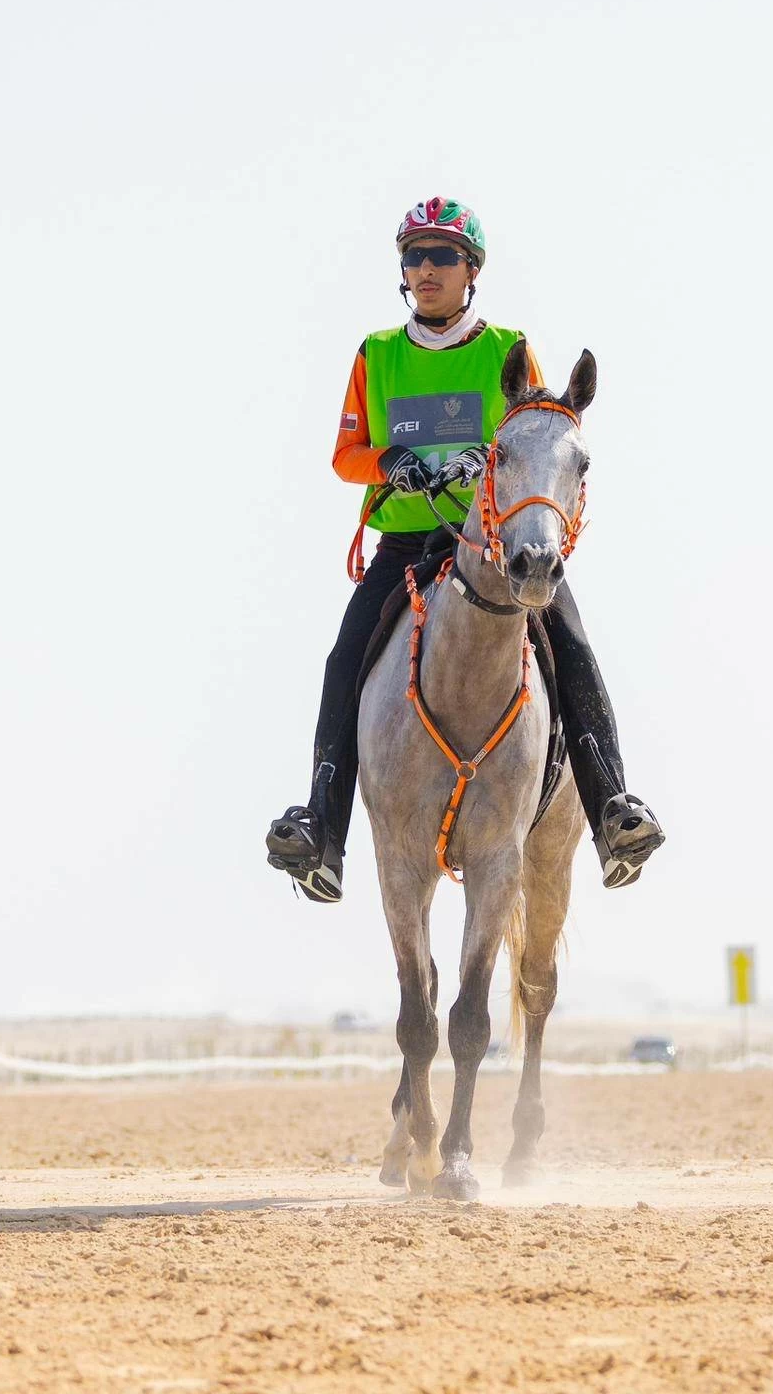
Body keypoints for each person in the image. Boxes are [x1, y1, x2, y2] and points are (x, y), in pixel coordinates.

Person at [266, 195, 663, 902]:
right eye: (413, 256)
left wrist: (485, 458)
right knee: (343, 657)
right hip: (407, 541)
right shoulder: (377, 354)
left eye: (442, 255)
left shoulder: (505, 349)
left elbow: (538, 435)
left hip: (497, 546)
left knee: (571, 642)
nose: (426, 268)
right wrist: (389, 463)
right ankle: (322, 833)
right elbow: (344, 455)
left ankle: (613, 812)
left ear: (470, 268)